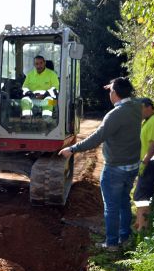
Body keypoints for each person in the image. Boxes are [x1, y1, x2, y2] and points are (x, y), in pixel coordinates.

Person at [58, 77, 142, 251]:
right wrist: (115, 85)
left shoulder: (115, 115)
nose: (109, 93)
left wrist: (73, 149)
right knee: (124, 201)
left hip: (115, 169)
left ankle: (111, 243)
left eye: (111, 91)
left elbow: (96, 138)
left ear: (115, 94)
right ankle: (124, 237)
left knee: (111, 207)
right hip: (132, 166)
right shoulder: (136, 107)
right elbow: (128, 94)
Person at [133, 98, 154, 230]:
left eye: (140, 109)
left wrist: (144, 162)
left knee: (143, 196)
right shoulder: (147, 122)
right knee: (139, 195)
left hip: (152, 164)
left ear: (149, 107)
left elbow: (153, 145)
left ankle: (143, 229)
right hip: (149, 163)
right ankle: (138, 224)